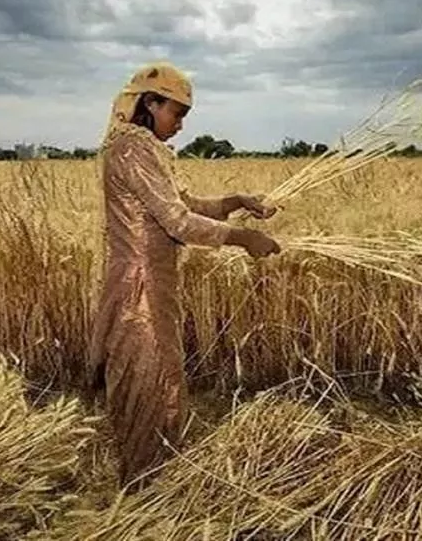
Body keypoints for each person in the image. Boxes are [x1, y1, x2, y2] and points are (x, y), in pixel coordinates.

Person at [85, 61, 281, 490]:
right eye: (176, 113)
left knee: (160, 377)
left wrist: (234, 200)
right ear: (150, 104)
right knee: (149, 382)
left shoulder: (144, 148)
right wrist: (241, 238)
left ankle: (155, 473)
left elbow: (184, 203)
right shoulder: (132, 149)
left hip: (155, 284)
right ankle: (143, 483)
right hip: (139, 289)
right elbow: (177, 221)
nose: (180, 125)